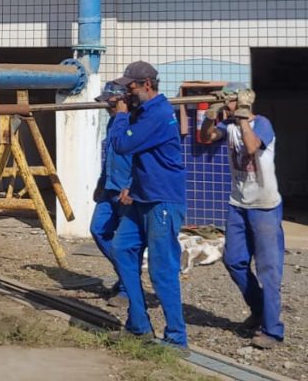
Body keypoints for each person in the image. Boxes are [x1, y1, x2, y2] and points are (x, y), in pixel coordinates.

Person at [109, 61, 188, 352]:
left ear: (147, 85)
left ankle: (177, 338)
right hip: (144, 195)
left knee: (161, 269)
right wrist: (132, 184)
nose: (127, 94)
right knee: (121, 248)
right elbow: (147, 157)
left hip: (162, 201)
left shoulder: (158, 113)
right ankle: (139, 325)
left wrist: (119, 116)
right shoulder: (145, 113)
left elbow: (123, 146)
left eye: (130, 88)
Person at [201, 88, 284, 349]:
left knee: (268, 270)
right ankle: (259, 309)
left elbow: (251, 146)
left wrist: (244, 118)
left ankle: (272, 330)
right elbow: (206, 137)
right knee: (234, 260)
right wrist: (209, 117)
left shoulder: (263, 124)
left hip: (265, 205)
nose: (227, 104)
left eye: (231, 100)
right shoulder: (228, 125)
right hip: (238, 204)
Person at [90, 80, 134, 307]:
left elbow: (140, 159)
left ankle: (128, 288)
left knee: (124, 243)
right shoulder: (113, 122)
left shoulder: (135, 122)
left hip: (127, 191)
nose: (107, 107)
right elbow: (110, 156)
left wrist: (134, 187)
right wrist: (101, 182)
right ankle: (126, 276)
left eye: (110, 102)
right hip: (110, 187)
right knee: (98, 229)